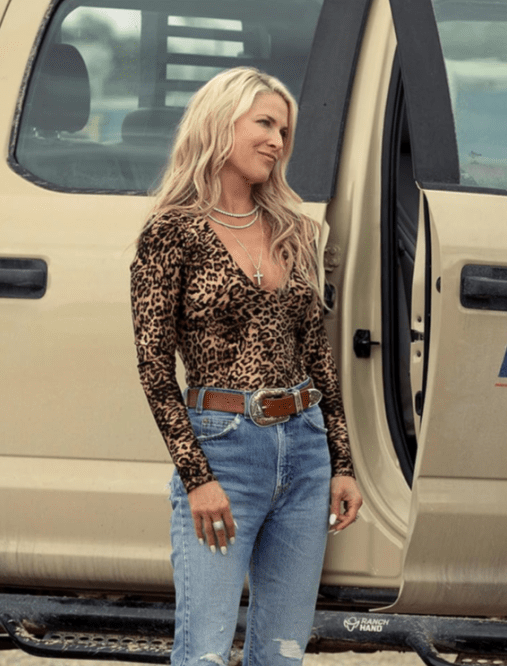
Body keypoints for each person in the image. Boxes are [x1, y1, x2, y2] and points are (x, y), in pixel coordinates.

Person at [130, 67, 362, 666]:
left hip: (305, 449)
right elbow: (155, 370)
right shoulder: (170, 233)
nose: (277, 141)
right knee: (203, 653)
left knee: (282, 654)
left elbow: (317, 355)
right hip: (223, 451)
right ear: (219, 123)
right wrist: (196, 477)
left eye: (284, 131)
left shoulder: (295, 229)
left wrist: (341, 463)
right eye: (265, 124)